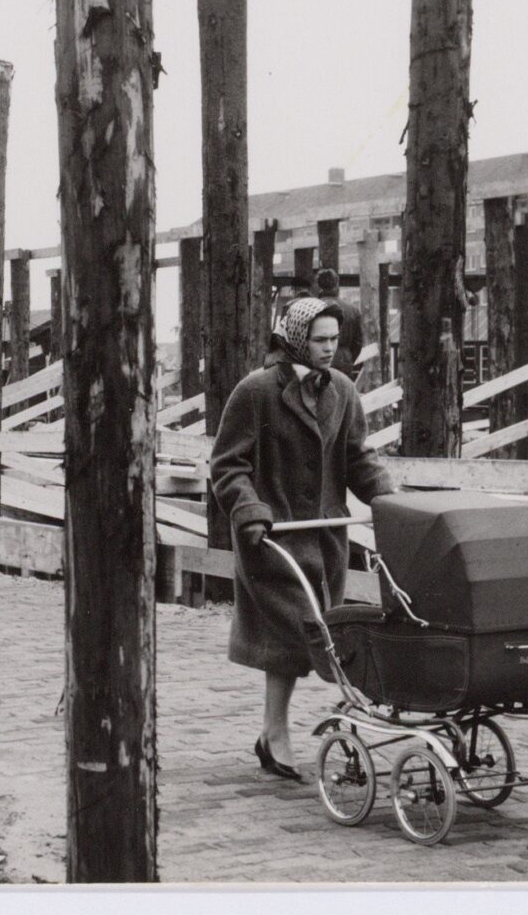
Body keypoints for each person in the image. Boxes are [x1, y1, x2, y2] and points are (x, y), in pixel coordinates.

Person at [208, 295, 395, 782]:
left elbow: (357, 458)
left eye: (335, 339)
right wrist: (249, 510)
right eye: (319, 340)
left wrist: (388, 499)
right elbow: (227, 465)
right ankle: (277, 731)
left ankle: (287, 728)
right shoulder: (256, 391)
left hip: (325, 539)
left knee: (317, 634)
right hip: (274, 538)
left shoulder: (343, 392)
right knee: (295, 632)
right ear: (295, 340)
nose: (329, 349)